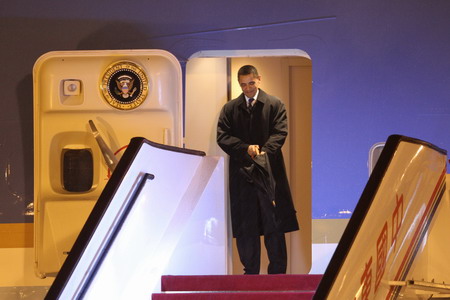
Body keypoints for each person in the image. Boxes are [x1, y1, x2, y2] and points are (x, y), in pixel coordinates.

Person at [217, 65, 299, 274]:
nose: (248, 89)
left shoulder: (274, 104)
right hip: (242, 175)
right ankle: (250, 273)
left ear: (259, 80)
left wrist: (262, 153)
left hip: (269, 172)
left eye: (251, 83)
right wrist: (245, 149)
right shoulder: (230, 109)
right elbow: (223, 137)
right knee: (246, 225)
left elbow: (280, 132)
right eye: (243, 85)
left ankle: (278, 275)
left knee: (274, 222)